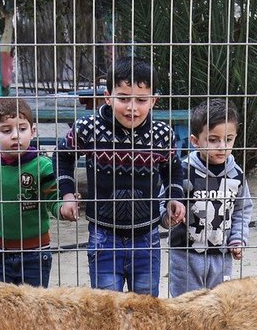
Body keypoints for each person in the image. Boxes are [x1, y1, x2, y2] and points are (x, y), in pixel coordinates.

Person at [55, 56, 183, 296]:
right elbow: (62, 155)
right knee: (106, 312)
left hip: (146, 238)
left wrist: (174, 198)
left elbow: (173, 167)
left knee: (145, 312)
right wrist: (67, 194)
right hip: (104, 237)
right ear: (108, 96)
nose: (132, 107)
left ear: (153, 100)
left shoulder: (162, 134)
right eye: (123, 98)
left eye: (141, 100)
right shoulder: (88, 127)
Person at [0, 98, 76, 286]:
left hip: (35, 252)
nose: (16, 136)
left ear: (33, 131)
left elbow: (52, 197)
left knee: (33, 310)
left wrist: (63, 209)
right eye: (7, 131)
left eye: (22, 129)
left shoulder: (43, 165)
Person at [165, 99, 252, 296]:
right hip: (185, 255)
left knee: (218, 309)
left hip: (221, 257)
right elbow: (166, 199)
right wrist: (168, 215)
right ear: (195, 141)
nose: (222, 146)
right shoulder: (183, 171)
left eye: (228, 139)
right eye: (213, 140)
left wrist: (238, 239)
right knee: (185, 308)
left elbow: (242, 209)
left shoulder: (236, 174)